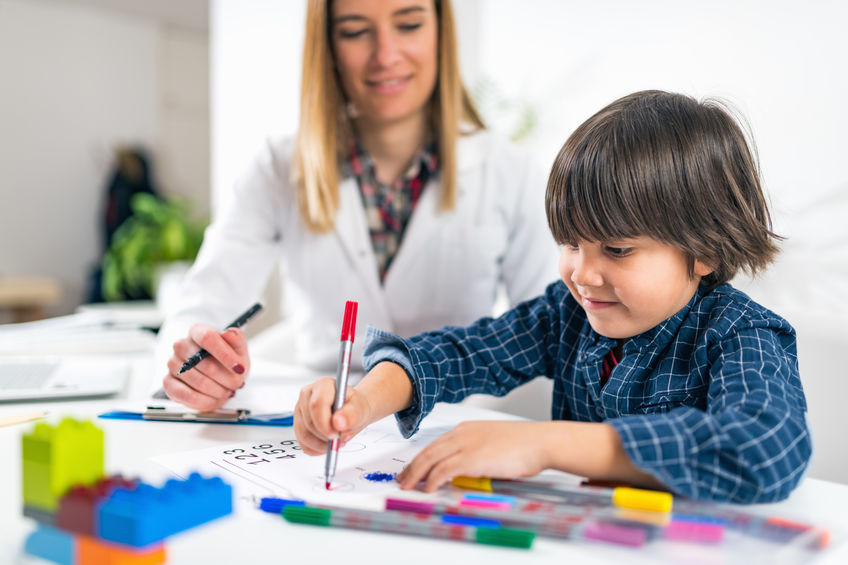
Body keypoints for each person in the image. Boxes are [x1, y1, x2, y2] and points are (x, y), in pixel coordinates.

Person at [293, 90, 813, 503]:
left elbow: (765, 449)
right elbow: (462, 354)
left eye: (617, 248)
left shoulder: (739, 334)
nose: (582, 274)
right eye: (569, 242)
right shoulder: (569, 314)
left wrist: (545, 444)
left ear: (704, 251)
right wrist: (361, 401)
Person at [157, 0, 556, 412]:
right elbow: (201, 307)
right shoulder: (278, 168)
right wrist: (196, 361)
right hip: (318, 425)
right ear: (328, 46)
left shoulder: (513, 172)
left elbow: (554, 336)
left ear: (441, 31)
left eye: (409, 25)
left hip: (456, 423)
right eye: (354, 31)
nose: (385, 55)